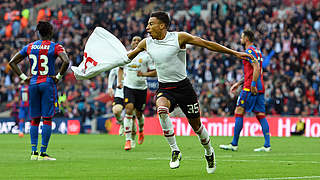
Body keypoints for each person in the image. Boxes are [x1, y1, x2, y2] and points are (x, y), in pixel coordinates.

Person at [126, 11, 254, 173]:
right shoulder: (146, 43)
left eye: (151, 24)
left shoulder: (179, 38)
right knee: (162, 109)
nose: (147, 27)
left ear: (162, 25)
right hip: (165, 88)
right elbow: (128, 57)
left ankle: (209, 151)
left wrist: (234, 53)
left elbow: (207, 44)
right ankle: (175, 150)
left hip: (184, 88)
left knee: (196, 126)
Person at [9, 21, 70, 160]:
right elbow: (66, 61)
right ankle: (43, 153)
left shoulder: (30, 46)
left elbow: (12, 62)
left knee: (35, 119)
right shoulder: (55, 47)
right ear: (50, 32)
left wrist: (24, 77)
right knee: (47, 118)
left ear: (38, 33)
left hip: (33, 83)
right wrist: (59, 76)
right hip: (47, 83)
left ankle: (33, 152)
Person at [219, 29, 271, 152]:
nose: (241, 39)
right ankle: (267, 145)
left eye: (242, 37)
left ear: (247, 39)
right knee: (261, 115)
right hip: (260, 87)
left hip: (250, 87)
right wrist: (238, 83)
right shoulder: (258, 51)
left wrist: (252, 84)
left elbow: (256, 68)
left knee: (239, 111)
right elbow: (253, 71)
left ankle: (234, 144)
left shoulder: (249, 51)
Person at [118, 36, 156, 150]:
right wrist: (119, 81)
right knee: (129, 110)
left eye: (138, 41)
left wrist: (144, 75)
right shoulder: (127, 55)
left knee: (139, 114)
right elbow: (120, 68)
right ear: (131, 43)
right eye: (134, 40)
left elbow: (155, 72)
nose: (136, 42)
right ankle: (128, 140)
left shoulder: (147, 56)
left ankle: (141, 131)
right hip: (129, 87)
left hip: (141, 88)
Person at [107, 67, 125, 136]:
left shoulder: (135, 62)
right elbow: (112, 73)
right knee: (116, 110)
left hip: (132, 92)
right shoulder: (119, 62)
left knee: (133, 113)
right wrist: (110, 87)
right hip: (120, 93)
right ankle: (121, 123)